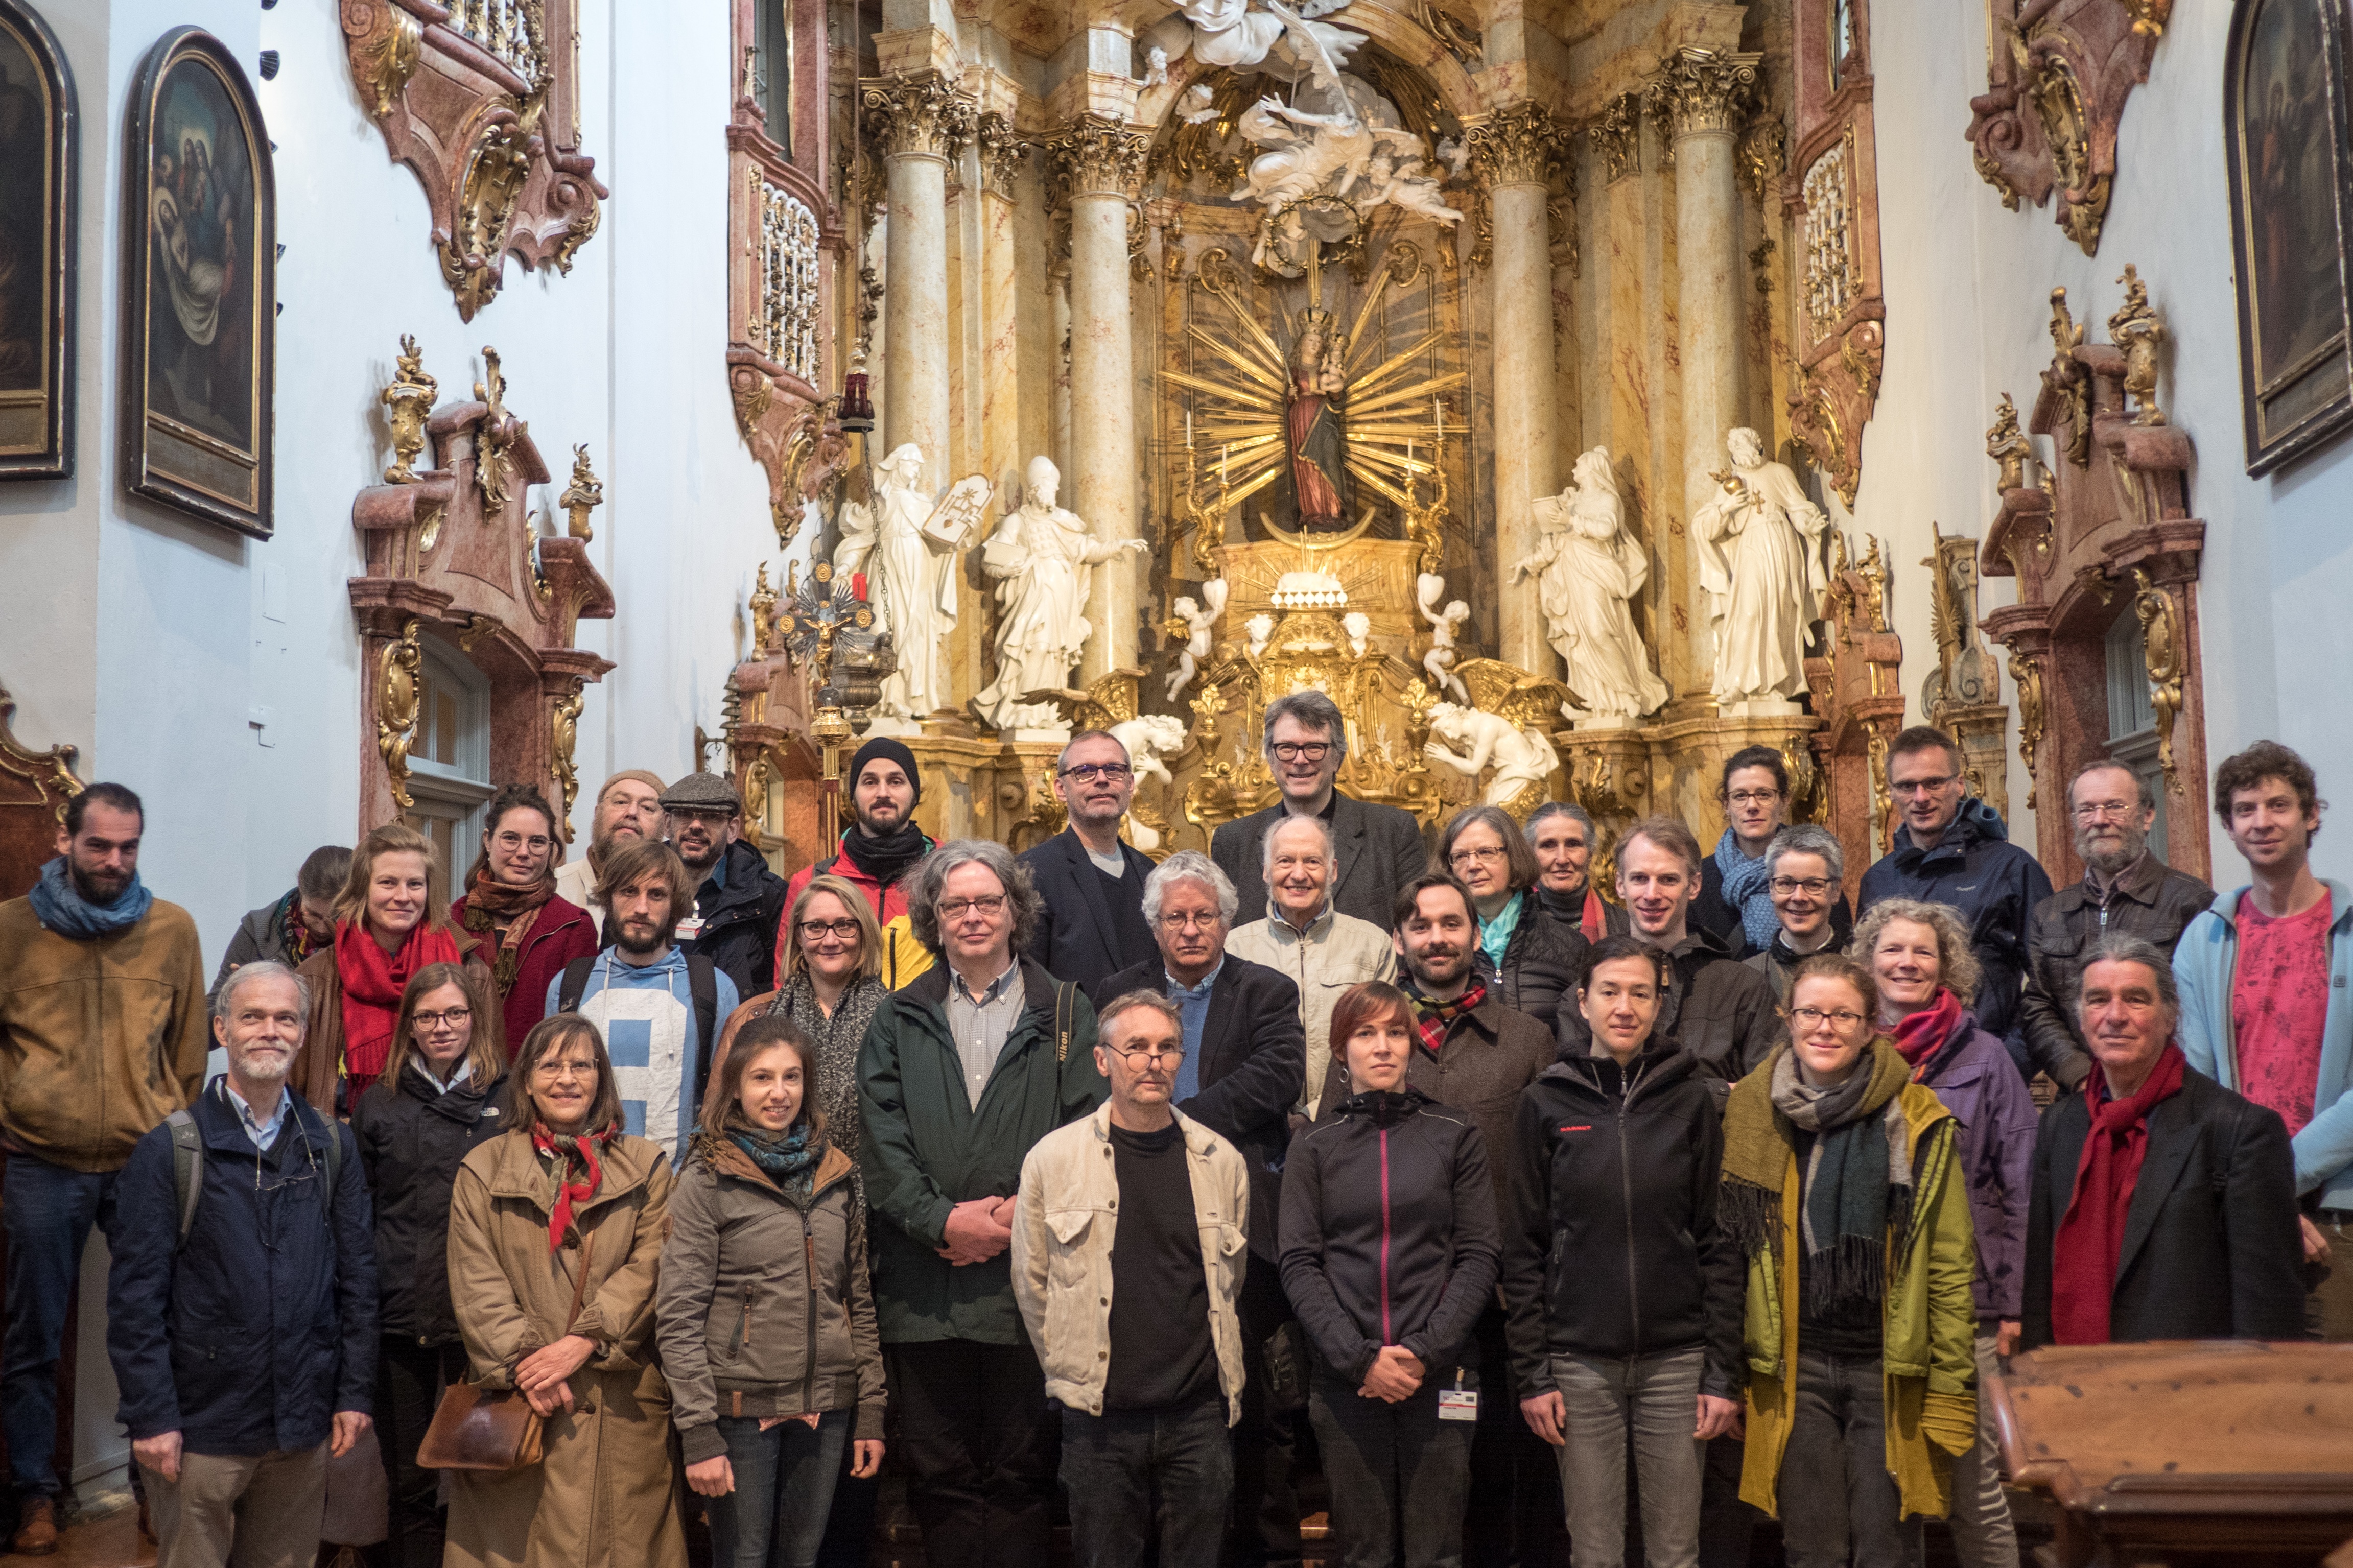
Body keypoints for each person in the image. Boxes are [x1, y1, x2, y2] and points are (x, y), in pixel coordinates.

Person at [856, 840, 1107, 1568]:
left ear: (1014, 910)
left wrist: (1004, 1225)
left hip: (1025, 1290)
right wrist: (942, 1221)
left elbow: (1086, 1134)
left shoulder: (1063, 1009)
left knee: (1022, 1475)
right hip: (923, 1291)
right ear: (933, 918)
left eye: (987, 901)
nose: (972, 915)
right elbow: (881, 1139)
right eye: (955, 903)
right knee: (941, 1477)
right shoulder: (899, 1016)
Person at [106, 962, 378, 1568]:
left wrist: (353, 1393)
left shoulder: (330, 1145)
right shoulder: (171, 1150)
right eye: (252, 1016)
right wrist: (152, 1416)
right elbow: (134, 1301)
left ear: (305, 1034)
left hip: (300, 1425)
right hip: (202, 1426)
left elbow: (357, 1281)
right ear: (223, 1028)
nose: (270, 1030)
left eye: (286, 1018)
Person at [0, 782, 209, 1553]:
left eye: (129, 847)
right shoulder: (10, 930)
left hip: (141, 1165)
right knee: (31, 1338)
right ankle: (34, 1493)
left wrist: (159, 1128)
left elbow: (188, 1051)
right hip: (40, 1165)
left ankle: (155, 1482)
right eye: (100, 845)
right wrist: (15, 1112)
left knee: (156, 1326)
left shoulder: (171, 929)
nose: (115, 861)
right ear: (65, 839)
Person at [1719, 954, 1979, 1568]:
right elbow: (1730, 1255)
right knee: (1813, 1549)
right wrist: (1728, 1373)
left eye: (1844, 1014)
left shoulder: (1917, 1120)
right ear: (1788, 1018)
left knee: (1887, 1549)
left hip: (1885, 1368)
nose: (1825, 1027)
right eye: (1810, 1011)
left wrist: (1949, 1382)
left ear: (1871, 1027)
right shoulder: (1751, 1111)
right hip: (1792, 1367)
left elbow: (1946, 1265)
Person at [1502, 935, 1745, 1568]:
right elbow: (1523, 1248)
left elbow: (1718, 1242)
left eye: (1641, 992)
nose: (1624, 1006)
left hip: (1677, 1359)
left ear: (1660, 1004)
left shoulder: (1690, 1099)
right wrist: (1534, 1372)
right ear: (1582, 1002)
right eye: (1609, 991)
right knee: (1595, 1549)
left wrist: (1721, 1371)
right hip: (1579, 1364)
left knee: (1674, 1550)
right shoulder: (1546, 1101)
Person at [1095, 852, 1305, 1568]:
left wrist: (1174, 1119)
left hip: (1243, 1221)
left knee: (1252, 1405)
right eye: (1175, 917)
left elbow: (1275, 1076)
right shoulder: (1119, 993)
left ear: (1227, 920)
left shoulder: (1266, 991)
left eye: (1203, 914)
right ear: (1153, 926)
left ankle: (1258, 1551)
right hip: (1136, 1222)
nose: (1190, 927)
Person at [1349, 872, 1557, 1568]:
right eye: (1420, 924)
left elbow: (1546, 1179)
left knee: (1493, 1486)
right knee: (1396, 1508)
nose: (1436, 937)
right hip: (1387, 1312)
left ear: (1475, 933)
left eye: (1450, 923)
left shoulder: (1526, 1040)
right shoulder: (1369, 1041)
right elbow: (1331, 1154)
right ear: (1399, 939)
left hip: (1493, 1310)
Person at [1013, 991, 1251, 1568]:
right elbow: (1032, 1283)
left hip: (1197, 1414)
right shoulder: (1051, 1159)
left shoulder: (1222, 1161)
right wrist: (1068, 1368)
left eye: (1166, 1047)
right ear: (1102, 1061)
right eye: (1136, 1046)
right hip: (1100, 1417)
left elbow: (1229, 1285)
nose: (1153, 1060)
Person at [444, 1013, 686, 1568]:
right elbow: (475, 1278)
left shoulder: (646, 1164)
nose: (567, 1078)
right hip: (521, 1401)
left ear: (601, 1076)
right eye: (550, 1065)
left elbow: (653, 1265)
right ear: (525, 1079)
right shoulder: (483, 1168)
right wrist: (527, 1359)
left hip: (618, 1405)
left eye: (582, 1064)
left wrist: (584, 1340)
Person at [708, 873, 897, 1567]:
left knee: (843, 1440)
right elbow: (722, 1114)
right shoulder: (760, 1014)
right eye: (815, 926)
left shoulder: (896, 1014)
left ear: (864, 934)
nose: (830, 937)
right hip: (766, 1229)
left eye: (844, 925)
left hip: (865, 1224)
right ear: (794, 937)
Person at [1281, 981, 1499, 1568]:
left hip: (1442, 1375)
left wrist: (1423, 1353)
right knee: (1363, 1553)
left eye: (1395, 1032)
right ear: (1340, 1049)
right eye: (1365, 1033)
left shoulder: (1455, 1133)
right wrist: (1361, 1359)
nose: (1382, 1047)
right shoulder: (1314, 1145)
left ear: (1412, 1045)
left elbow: (1478, 1254)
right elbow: (1300, 1262)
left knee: (1439, 1553)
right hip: (1347, 1380)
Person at [659, 1014, 886, 1568]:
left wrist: (872, 1409)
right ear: (736, 1086)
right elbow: (678, 1315)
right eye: (762, 1078)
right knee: (744, 1559)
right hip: (739, 1409)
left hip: (827, 1405)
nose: (779, 1093)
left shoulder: (836, 1173)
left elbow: (857, 1298)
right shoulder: (707, 1176)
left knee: (803, 1559)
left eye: (791, 1077)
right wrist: (698, 1432)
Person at [1853, 899, 2038, 1568]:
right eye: (1892, 950)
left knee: (1973, 1488)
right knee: (1886, 1488)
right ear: (1867, 962)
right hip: (1868, 1306)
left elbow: (2017, 1184)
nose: (1906, 961)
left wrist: (2012, 1303)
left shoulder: (1985, 1058)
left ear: (1945, 967)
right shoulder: (1845, 1054)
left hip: (1967, 1305)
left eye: (1922, 952)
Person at [2025, 935, 2305, 1346]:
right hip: (2075, 1387)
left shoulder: (2238, 1130)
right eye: (2098, 999)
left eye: (2136, 999)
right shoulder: (2059, 1126)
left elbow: (2269, 1310)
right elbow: (2039, 1283)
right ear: (2081, 1019)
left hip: (2190, 1392)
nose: (2115, 1016)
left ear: (2171, 1016)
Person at [2171, 740, 2352, 1339]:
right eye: (2245, 809)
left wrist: (2271, 1179)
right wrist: (2252, 1190)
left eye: (2278, 805)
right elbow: (2193, 1084)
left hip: (2338, 1210)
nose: (2262, 821)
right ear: (2228, 825)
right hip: (2239, 1213)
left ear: (2312, 815)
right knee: (2253, 1410)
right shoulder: (2204, 939)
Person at [350, 962, 509, 1568]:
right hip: (399, 1311)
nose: (442, 1027)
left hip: (484, 1315)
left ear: (475, 1018)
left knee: (486, 1467)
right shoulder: (380, 1105)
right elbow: (358, 1212)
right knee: (409, 1474)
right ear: (408, 1026)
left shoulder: (509, 1096)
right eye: (427, 1016)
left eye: (455, 1013)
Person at [1858, 726, 2053, 1064]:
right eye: (1907, 786)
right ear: (1890, 792)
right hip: (1895, 1069)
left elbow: (2050, 981)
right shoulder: (1877, 880)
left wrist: (2010, 1058)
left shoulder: (2012, 867)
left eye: (1934, 782)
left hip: (1982, 1060)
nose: (1921, 797)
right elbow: (1865, 981)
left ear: (1959, 784)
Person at [2019, 760, 2214, 1092]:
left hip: (2170, 1097)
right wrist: (2082, 1077)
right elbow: (2039, 1006)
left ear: (2148, 815)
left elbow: (2201, 1012)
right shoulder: (2050, 913)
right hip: (2082, 1100)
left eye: (2114, 807)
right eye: (2086, 810)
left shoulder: (2192, 903)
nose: (2099, 821)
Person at [547, 838, 739, 1166]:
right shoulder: (568, 986)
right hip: (584, 1181)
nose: (641, 908)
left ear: (676, 904)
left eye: (657, 894)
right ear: (608, 898)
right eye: (628, 891)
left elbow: (727, 1101)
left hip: (678, 1187)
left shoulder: (714, 988)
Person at [1560, 817, 1782, 1097]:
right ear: (1620, 884)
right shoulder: (1586, 994)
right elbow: (1575, 1098)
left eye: (1668, 880)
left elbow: (1767, 1094)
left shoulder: (1743, 989)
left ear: (1694, 886)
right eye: (1640, 878)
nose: (1652, 894)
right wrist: (1718, 1092)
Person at [293, 823, 486, 1114]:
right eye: (388, 883)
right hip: (347, 1146)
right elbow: (293, 1090)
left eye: (415, 884)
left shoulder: (471, 973)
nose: (403, 896)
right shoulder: (314, 979)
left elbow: (490, 1076)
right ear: (362, 889)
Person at [1210, 690, 1430, 931]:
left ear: (1338, 757)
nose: (1300, 760)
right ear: (1271, 759)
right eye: (1287, 748)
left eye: (1314, 748)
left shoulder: (1394, 832)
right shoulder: (1232, 841)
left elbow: (1418, 930)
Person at [1227, 813, 1397, 1121]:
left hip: (1350, 1122)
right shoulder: (1233, 949)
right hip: (1257, 1127)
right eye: (1285, 861)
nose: (1298, 874)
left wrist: (1313, 1114)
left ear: (1332, 871)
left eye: (1312, 862)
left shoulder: (1372, 946)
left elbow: (1383, 1047)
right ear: (1266, 871)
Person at [451, 783, 599, 1054]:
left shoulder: (573, 925)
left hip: (535, 1076)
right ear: (487, 840)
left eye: (537, 842)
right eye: (510, 838)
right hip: (460, 1076)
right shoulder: (452, 920)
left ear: (551, 849)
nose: (523, 852)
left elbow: (577, 1025)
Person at [777, 737, 937, 979]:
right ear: (852, 795)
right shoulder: (813, 881)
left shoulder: (947, 875)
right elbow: (788, 978)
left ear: (915, 793)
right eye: (870, 782)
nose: (883, 793)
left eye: (896, 781)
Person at [1020, 730, 1160, 994]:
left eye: (1113, 769)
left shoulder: (1150, 873)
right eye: (1084, 771)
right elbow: (1028, 985)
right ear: (1061, 789)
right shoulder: (1032, 873)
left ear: (1130, 784)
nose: (1102, 780)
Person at [1436, 803, 1588, 1028]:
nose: (1473, 865)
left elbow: (1583, 1038)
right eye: (1460, 856)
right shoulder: (1437, 948)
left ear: (1514, 856)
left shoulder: (1570, 946)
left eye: (1486, 853)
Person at [1693, 748, 1852, 959]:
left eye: (1764, 795)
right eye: (1740, 796)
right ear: (1726, 805)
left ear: (1785, 802)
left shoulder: (1817, 873)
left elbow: (1840, 953)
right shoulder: (1700, 880)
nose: (1752, 806)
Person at [663, 770, 789, 997]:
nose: (696, 826)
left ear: (732, 830)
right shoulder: (636, 888)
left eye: (711, 816)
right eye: (684, 814)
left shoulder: (768, 896)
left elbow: (784, 987)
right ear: (667, 824)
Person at [210, 844, 350, 1002]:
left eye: (336, 918)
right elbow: (212, 1009)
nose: (322, 928)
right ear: (300, 891)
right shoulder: (259, 931)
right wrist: (238, 996)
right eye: (312, 915)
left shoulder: (371, 941)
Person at [1744, 826, 1846, 1005]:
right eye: (1786, 883)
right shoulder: (1744, 978)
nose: (1799, 897)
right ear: (1771, 889)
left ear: (1836, 891)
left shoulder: (1864, 973)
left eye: (1814, 884)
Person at [553, 769, 668, 912]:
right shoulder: (554, 889)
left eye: (647, 808)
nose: (632, 812)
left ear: (665, 825)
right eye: (621, 802)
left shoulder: (672, 895)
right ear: (597, 814)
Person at [1526, 801, 1608, 944]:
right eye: (1548, 845)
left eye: (1573, 844)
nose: (1562, 859)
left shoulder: (1624, 926)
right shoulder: (1509, 926)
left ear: (1590, 854)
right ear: (1530, 854)